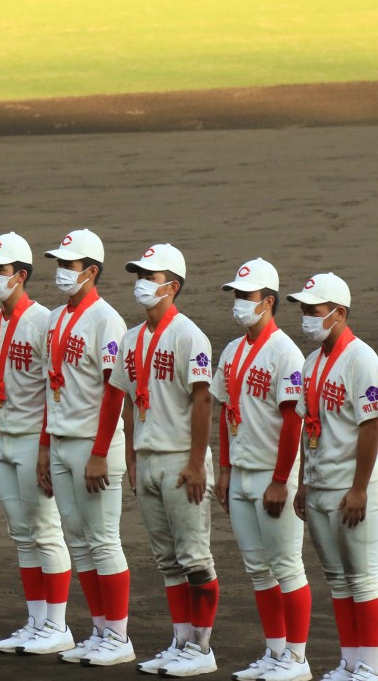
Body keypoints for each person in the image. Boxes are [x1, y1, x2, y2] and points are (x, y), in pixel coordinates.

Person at [110, 243, 217, 677]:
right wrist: (134, 458)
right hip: (149, 458)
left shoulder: (190, 335)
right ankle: (180, 641)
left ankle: (203, 647)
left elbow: (203, 399)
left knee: (195, 557)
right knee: (167, 560)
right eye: (139, 274)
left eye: (150, 277)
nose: (141, 283)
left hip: (179, 462)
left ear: (172, 286)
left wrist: (196, 462)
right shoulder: (132, 339)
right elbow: (129, 401)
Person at [211, 259, 312, 681]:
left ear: (268, 302)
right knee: (257, 568)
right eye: (236, 295)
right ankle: (275, 652)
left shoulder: (285, 352)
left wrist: (279, 480)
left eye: (246, 296)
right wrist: (224, 468)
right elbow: (223, 410)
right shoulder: (233, 351)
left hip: (275, 477)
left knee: (286, 565)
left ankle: (297, 658)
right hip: (240, 473)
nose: (239, 303)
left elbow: (294, 422)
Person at [36, 228, 132, 665]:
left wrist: (99, 451)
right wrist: (45, 446)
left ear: (91, 271)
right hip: (61, 441)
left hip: (95, 448)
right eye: (58, 264)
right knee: (77, 540)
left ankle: (118, 635)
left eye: (68, 265)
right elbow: (48, 385)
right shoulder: (56, 319)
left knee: (104, 539)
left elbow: (115, 391)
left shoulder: (107, 320)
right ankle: (98, 630)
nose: (60, 272)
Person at [0, 232, 72, 654]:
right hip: (6, 441)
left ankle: (58, 624)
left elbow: (54, 391)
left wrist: (47, 448)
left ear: (21, 275)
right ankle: (36, 620)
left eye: (0, 270)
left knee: (45, 532)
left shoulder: (43, 322)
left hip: (34, 439)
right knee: (21, 535)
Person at [289, 273, 378, 681]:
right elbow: (310, 428)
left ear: (338, 313)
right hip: (321, 485)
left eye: (314, 310)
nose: (306, 317)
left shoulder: (362, 359)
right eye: (304, 309)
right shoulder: (311, 363)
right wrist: (304, 483)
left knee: (363, 577)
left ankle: (372, 665)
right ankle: (351, 661)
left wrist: (360, 488)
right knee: (337, 579)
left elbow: (371, 426)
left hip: (352, 488)